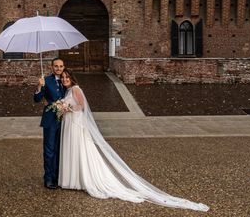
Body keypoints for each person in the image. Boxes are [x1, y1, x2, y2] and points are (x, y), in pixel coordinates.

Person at [57, 69, 209, 212]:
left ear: (71, 78)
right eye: (63, 78)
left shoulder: (76, 89)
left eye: (67, 77)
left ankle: (83, 180)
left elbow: (82, 106)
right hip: (71, 124)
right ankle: (74, 179)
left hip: (76, 125)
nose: (64, 79)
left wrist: (67, 108)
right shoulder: (68, 90)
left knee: (80, 151)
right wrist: (64, 108)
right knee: (74, 151)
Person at [33, 57, 65, 189]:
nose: (58, 68)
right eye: (56, 66)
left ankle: (58, 176)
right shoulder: (46, 80)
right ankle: (48, 178)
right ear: (51, 67)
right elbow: (37, 99)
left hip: (65, 120)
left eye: (61, 66)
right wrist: (39, 86)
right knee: (49, 149)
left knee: (61, 149)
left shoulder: (66, 80)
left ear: (64, 67)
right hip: (50, 120)